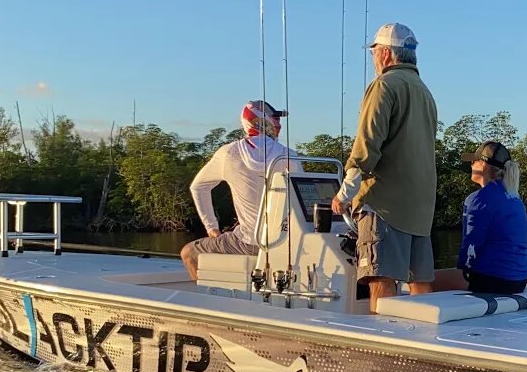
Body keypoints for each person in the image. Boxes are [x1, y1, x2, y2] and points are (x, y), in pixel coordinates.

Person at [331, 23, 439, 313]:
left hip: (386, 206)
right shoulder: (424, 92)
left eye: (375, 52)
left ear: (387, 55)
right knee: (420, 284)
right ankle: (426, 343)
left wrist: (344, 194)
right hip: (421, 208)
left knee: (381, 277)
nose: (374, 59)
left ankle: (385, 345)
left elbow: (366, 147)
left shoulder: (383, 86)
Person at [179, 100, 301, 281]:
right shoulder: (289, 155)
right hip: (285, 244)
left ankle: (206, 302)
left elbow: (198, 187)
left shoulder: (229, 153)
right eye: (275, 119)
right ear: (265, 122)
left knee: (188, 253)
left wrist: (212, 228)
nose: (278, 124)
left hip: (248, 243)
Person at [434, 141, 527, 294]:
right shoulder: (515, 199)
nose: (471, 164)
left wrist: (461, 275)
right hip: (519, 282)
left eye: (474, 160)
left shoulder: (479, 199)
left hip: (492, 280)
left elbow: (470, 246)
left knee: (420, 280)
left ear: (483, 165)